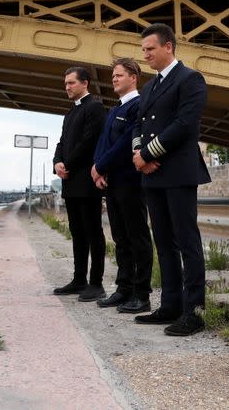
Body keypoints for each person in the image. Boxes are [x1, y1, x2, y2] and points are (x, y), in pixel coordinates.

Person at [131, 23, 212, 336]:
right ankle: (170, 304)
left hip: (178, 172)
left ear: (168, 47)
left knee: (186, 241)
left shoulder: (190, 79)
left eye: (150, 49)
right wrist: (139, 156)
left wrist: (148, 154)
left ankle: (194, 311)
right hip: (153, 175)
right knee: (163, 241)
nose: (146, 55)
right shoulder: (150, 87)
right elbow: (138, 125)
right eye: (143, 50)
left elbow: (184, 124)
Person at [91, 58, 153, 314]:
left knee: (137, 238)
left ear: (133, 77)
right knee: (120, 238)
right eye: (113, 76)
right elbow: (104, 143)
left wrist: (100, 165)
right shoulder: (114, 110)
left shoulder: (138, 106)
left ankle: (142, 294)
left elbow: (125, 145)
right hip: (113, 183)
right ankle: (123, 288)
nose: (114, 79)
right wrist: (97, 168)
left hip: (131, 182)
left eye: (119, 75)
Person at [52, 67, 107, 302]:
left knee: (93, 230)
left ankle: (96, 283)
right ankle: (79, 279)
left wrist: (68, 164)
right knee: (77, 232)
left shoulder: (95, 107)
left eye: (72, 83)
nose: (67, 87)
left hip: (86, 180)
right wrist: (57, 162)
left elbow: (89, 142)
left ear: (85, 83)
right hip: (70, 181)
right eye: (66, 83)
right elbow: (62, 142)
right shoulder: (69, 113)